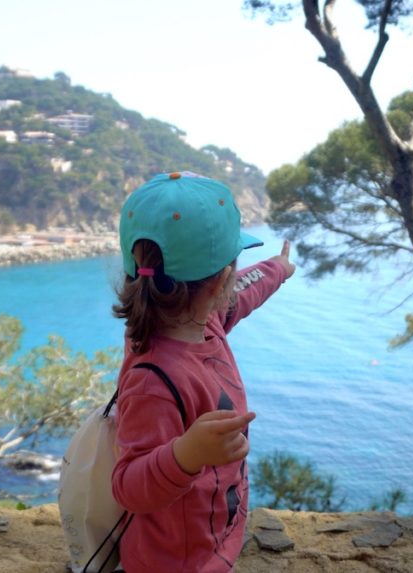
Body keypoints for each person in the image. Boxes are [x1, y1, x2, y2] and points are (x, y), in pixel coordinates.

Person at [111, 171, 294, 572]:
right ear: (220, 280)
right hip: (173, 563)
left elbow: (246, 290)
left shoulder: (203, 320)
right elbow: (127, 486)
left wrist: (279, 268)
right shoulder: (153, 379)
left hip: (211, 543)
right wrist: (186, 454)